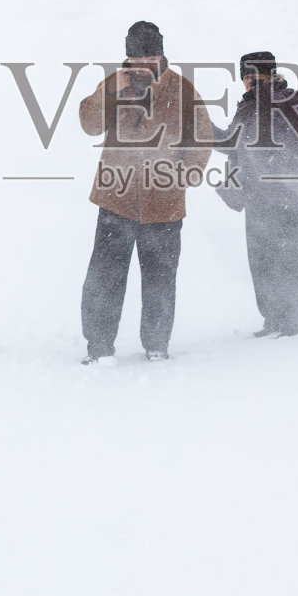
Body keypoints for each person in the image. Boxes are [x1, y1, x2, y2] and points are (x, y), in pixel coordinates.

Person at [76, 21, 214, 363]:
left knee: (160, 281)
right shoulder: (115, 86)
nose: (141, 64)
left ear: (161, 54)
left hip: (164, 206)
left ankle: (156, 346)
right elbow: (89, 124)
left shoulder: (183, 90)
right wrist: (110, 88)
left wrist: (180, 179)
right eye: (135, 58)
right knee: (105, 279)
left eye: (148, 56)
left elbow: (202, 140)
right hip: (115, 199)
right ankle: (99, 348)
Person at [213, 51, 298, 337]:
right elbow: (229, 144)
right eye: (245, 78)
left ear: (271, 76)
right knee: (262, 263)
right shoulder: (247, 107)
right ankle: (274, 318)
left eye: (254, 77)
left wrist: (264, 89)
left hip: (288, 197)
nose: (249, 83)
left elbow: (285, 121)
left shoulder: (290, 99)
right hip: (257, 197)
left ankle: (296, 320)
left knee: (290, 261)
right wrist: (200, 126)